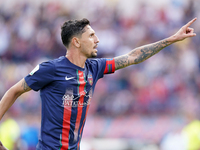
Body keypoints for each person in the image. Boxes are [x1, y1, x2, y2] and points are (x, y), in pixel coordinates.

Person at [0, 17, 197, 150]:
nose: (97, 40)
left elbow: (133, 56)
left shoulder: (94, 68)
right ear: (76, 42)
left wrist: (172, 39)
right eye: (92, 36)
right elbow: (13, 91)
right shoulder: (50, 69)